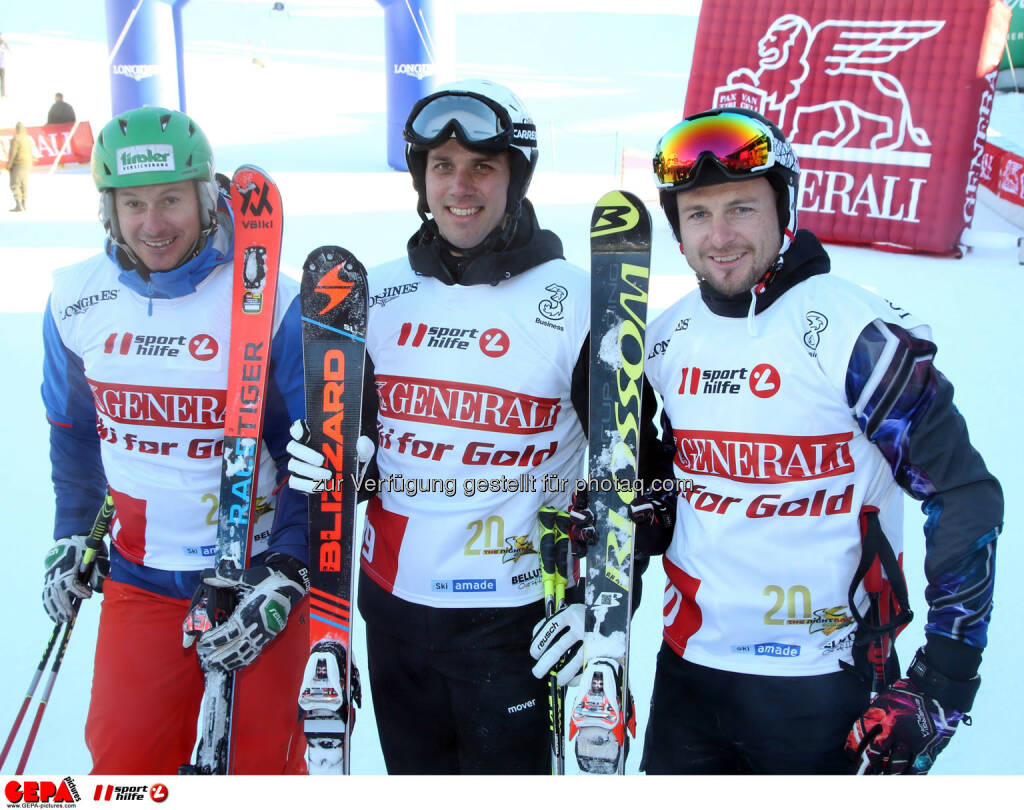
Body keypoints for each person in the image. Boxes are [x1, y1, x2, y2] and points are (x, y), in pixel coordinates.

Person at [633, 107, 1003, 774]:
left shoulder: (851, 335)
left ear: (784, 208)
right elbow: (672, 480)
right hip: (690, 672)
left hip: (823, 681)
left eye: (741, 208)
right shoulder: (664, 340)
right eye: (696, 214)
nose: (719, 236)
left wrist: (946, 676)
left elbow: (963, 490)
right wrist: (638, 517)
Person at [287, 78, 595, 774]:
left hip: (512, 619)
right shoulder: (375, 295)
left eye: (482, 166)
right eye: (440, 166)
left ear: (516, 176)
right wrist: (327, 461)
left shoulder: (574, 301)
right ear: (420, 180)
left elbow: (633, 466)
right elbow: (360, 457)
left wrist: (599, 594)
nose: (460, 186)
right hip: (392, 612)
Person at [40, 106, 309, 774]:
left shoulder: (273, 302)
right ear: (109, 208)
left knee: (261, 770)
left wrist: (288, 568)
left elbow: (316, 455)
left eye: (170, 200)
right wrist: (76, 531)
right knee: (126, 767)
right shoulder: (76, 300)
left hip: (255, 580)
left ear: (206, 198)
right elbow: (73, 434)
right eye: (133, 204)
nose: (153, 224)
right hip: (142, 576)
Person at [6, 121, 33, 212]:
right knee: (24, 184)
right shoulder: (27, 139)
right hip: (27, 163)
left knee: (15, 183)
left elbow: (13, 153)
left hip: (18, 164)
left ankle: (18, 204)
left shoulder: (16, 139)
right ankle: (24, 204)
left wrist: (10, 164)